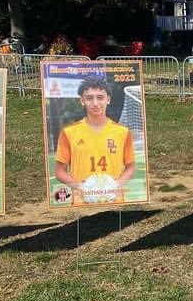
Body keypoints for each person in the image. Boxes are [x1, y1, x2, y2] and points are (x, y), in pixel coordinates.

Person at [54, 77, 136, 205]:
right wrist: (82, 188)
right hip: (81, 202)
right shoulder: (68, 132)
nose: (95, 103)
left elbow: (130, 167)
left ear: (108, 99)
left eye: (100, 97)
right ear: (82, 101)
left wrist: (114, 186)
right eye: (89, 98)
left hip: (114, 201)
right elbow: (59, 171)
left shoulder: (123, 132)